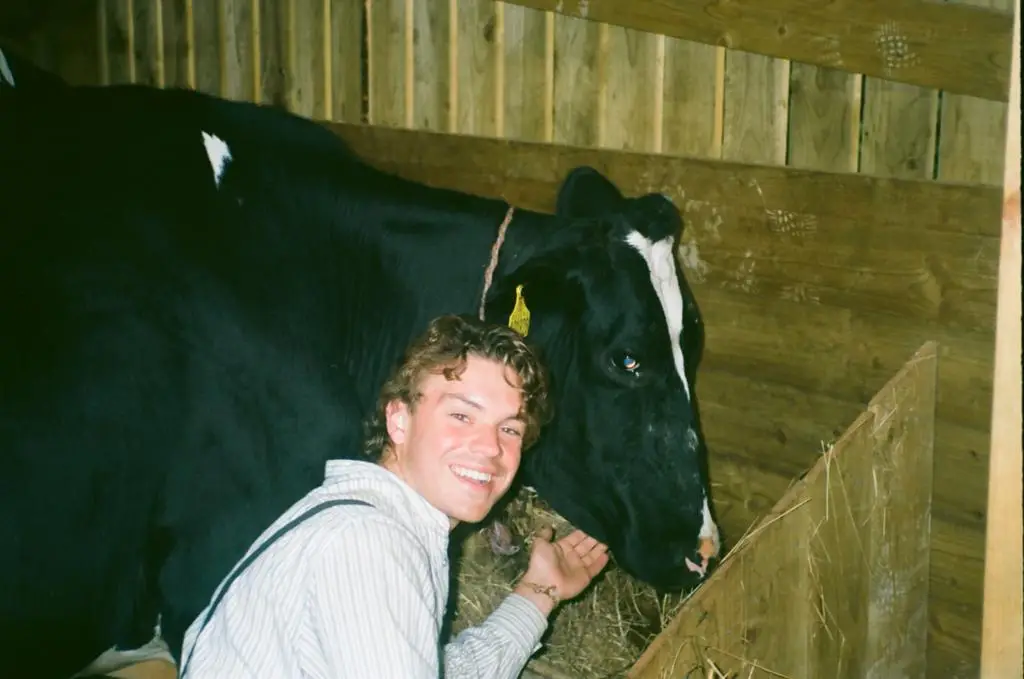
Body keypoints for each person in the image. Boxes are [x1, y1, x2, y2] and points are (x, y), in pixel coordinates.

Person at [177, 313, 611, 678]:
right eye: (462, 415)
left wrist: (539, 591)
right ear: (399, 421)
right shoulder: (369, 544)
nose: (490, 447)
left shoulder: (375, 524)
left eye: (510, 428)